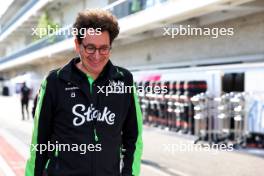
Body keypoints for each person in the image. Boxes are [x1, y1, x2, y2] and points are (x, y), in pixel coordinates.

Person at [25, 9, 143, 176]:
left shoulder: (124, 80)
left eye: (104, 48)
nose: (97, 56)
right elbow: (39, 141)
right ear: (77, 45)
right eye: (90, 48)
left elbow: (134, 138)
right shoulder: (54, 81)